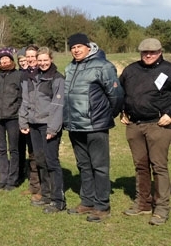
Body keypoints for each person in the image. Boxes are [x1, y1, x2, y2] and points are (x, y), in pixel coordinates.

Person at [63, 33, 123, 222]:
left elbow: (116, 95)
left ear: (89, 47)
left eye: (79, 46)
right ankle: (87, 201)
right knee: (83, 165)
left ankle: (102, 205)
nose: (76, 50)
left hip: (95, 125)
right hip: (75, 125)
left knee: (100, 166)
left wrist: (105, 116)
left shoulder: (103, 66)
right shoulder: (70, 67)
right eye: (73, 47)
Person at [119, 38, 171, 226]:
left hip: (158, 125)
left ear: (160, 51)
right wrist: (121, 111)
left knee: (159, 166)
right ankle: (143, 203)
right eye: (144, 52)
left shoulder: (168, 69)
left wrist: (170, 114)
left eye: (152, 52)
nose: (148, 55)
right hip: (134, 126)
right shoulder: (131, 70)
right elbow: (120, 93)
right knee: (140, 166)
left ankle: (162, 208)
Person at [19, 47, 66, 213]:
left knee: (51, 161)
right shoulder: (33, 78)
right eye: (40, 60)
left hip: (48, 125)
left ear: (51, 59)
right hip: (34, 124)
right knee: (40, 160)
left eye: (46, 60)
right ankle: (45, 194)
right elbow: (26, 101)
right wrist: (23, 121)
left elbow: (58, 105)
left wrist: (53, 128)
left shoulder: (57, 78)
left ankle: (58, 200)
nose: (43, 63)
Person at [0, 48, 22, 192]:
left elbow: (22, 97)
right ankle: (2, 178)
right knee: (1, 149)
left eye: (6, 59)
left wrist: (17, 110)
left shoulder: (19, 75)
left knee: (13, 149)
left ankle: (12, 179)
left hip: (13, 117)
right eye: (1, 59)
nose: (4, 61)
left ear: (11, 60)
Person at [19, 45, 41, 200]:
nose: (30, 59)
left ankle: (44, 188)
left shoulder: (46, 74)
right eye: (28, 57)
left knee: (43, 156)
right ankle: (34, 185)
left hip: (42, 120)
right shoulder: (25, 75)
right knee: (32, 154)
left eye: (33, 56)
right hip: (28, 119)